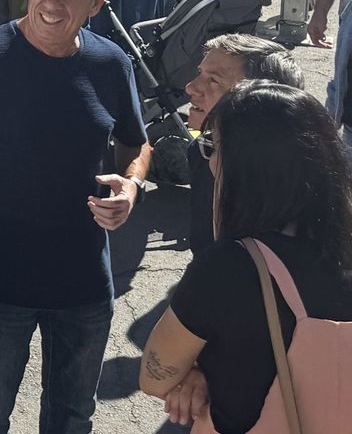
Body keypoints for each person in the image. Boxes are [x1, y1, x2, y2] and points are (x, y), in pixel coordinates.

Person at [0, 0, 151, 434]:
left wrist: (131, 186)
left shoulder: (110, 64)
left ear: (98, 3)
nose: (52, 0)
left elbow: (137, 144)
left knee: (72, 418)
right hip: (0, 279)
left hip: (85, 282)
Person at [138, 81, 352, 433]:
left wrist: (199, 375)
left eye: (213, 146)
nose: (209, 158)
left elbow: (154, 377)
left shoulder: (232, 267)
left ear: (243, 165)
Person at [182, 35, 305, 255]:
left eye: (214, 80)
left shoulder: (303, 181)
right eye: (200, 73)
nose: (191, 88)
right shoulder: (203, 151)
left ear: (260, 99)